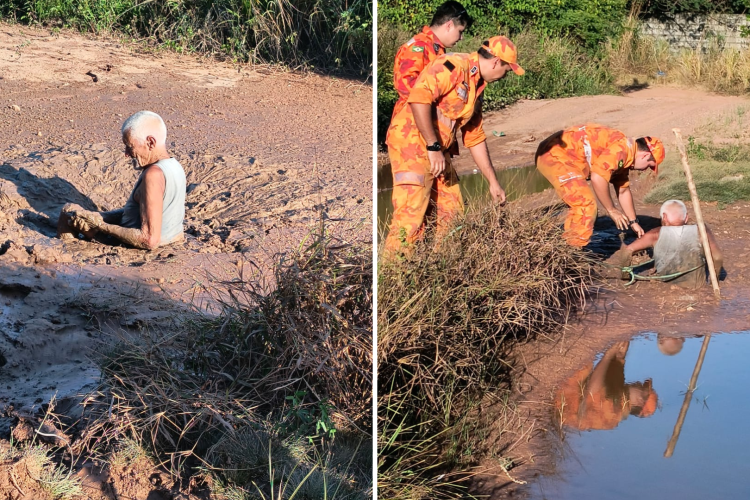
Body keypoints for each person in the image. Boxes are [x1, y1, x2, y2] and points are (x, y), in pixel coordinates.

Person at [384, 36, 524, 253]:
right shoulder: (452, 66)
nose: (505, 76)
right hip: (412, 145)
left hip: (438, 150)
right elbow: (419, 99)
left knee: (452, 213)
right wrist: (432, 147)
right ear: (496, 62)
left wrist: (493, 182)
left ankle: (441, 270)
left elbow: (474, 136)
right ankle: (393, 278)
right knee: (409, 219)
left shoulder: (477, 86)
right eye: (507, 70)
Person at [57, 111, 186, 250]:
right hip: (172, 240)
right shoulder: (174, 166)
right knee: (83, 215)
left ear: (150, 142)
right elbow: (142, 211)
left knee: (68, 211)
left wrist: (100, 225)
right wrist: (100, 216)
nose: (126, 154)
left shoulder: (153, 175)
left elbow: (149, 240)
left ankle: (65, 255)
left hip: (132, 245)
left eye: (130, 146)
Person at [535, 124, 665, 247]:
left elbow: (623, 191)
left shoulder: (626, 154)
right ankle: (572, 249)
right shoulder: (621, 149)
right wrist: (611, 210)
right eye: (649, 166)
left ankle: (568, 243)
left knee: (580, 205)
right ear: (645, 155)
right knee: (585, 204)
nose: (645, 170)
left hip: (562, 156)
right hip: (553, 155)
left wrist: (633, 222)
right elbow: (598, 178)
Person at [607, 199, 723, 288]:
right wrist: (715, 281)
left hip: (666, 286)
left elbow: (627, 251)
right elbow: (717, 258)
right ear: (686, 218)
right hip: (696, 287)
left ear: (664, 217)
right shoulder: (701, 231)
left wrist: (626, 276)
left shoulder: (655, 234)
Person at [389, 1, 472, 121]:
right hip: (411, 126)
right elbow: (405, 86)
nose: (461, 37)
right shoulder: (418, 47)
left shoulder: (436, 49)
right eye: (460, 31)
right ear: (449, 25)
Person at [555, 341, 658, 431]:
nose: (638, 383)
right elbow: (614, 371)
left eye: (641, 387)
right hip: (567, 393)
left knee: (584, 365)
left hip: (559, 397)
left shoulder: (611, 416)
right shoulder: (621, 400)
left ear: (640, 400)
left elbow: (592, 393)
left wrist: (608, 355)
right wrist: (619, 356)